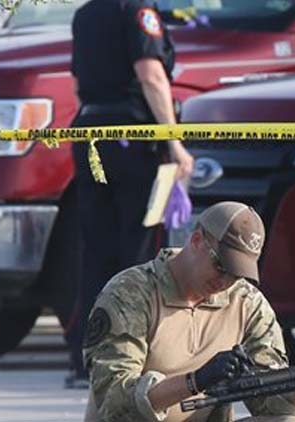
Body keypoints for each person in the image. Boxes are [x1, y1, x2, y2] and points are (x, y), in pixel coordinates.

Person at [82, 201, 295, 421]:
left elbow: (269, 400)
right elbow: (114, 402)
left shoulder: (246, 303)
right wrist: (196, 381)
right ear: (196, 241)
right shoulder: (131, 293)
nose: (226, 281)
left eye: (237, 273)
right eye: (221, 265)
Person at [65, 0, 195, 388]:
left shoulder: (85, 14)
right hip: (134, 140)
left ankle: (86, 357)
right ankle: (132, 354)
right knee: (140, 252)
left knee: (96, 251)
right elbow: (151, 75)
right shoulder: (137, 10)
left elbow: (78, 83)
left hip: (90, 135)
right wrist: (175, 143)